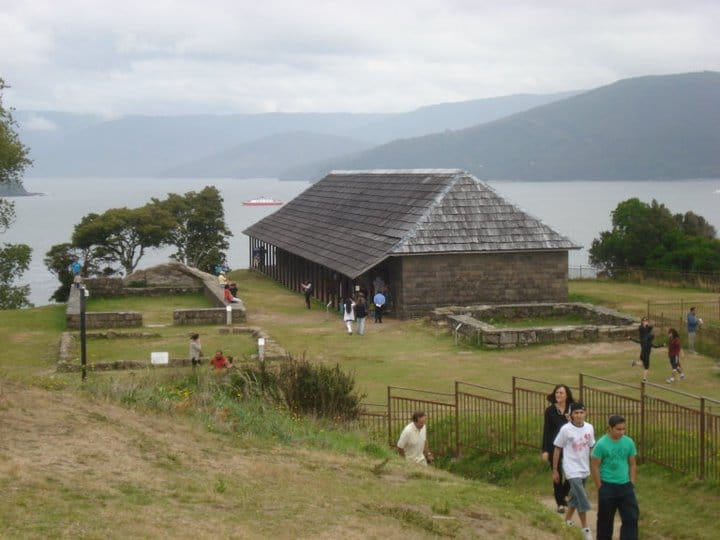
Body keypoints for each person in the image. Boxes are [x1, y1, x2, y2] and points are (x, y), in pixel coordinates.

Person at [591, 415, 639, 540]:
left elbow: (632, 463)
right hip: (607, 486)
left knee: (631, 518)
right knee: (605, 521)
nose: (622, 432)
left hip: (625, 486)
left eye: (624, 429)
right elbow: (595, 466)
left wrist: (631, 482)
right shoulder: (601, 444)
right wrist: (600, 487)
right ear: (610, 428)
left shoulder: (629, 442)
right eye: (618, 429)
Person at [553, 402, 595, 540]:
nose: (579, 415)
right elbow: (557, 448)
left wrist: (596, 466)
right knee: (582, 498)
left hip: (584, 468)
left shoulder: (589, 428)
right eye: (576, 413)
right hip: (571, 469)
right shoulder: (566, 429)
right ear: (571, 415)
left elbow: (591, 447)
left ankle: (567, 521)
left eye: (581, 412)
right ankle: (585, 529)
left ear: (585, 413)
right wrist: (555, 470)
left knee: (575, 498)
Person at [542, 384, 576, 513]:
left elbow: (578, 425)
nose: (558, 395)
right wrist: (545, 450)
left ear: (567, 395)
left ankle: (563, 494)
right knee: (557, 474)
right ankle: (560, 503)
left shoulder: (572, 409)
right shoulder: (550, 410)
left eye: (561, 393)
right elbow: (547, 431)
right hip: (554, 446)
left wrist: (570, 420)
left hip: (570, 446)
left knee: (571, 473)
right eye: (557, 393)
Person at [629, 317, 662, 382]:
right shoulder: (641, 328)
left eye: (646, 320)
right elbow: (644, 331)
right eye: (644, 321)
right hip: (644, 342)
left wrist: (652, 325)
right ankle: (644, 379)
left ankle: (634, 363)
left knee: (642, 363)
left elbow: (652, 327)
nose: (646, 322)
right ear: (642, 322)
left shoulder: (647, 327)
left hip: (645, 344)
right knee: (646, 366)